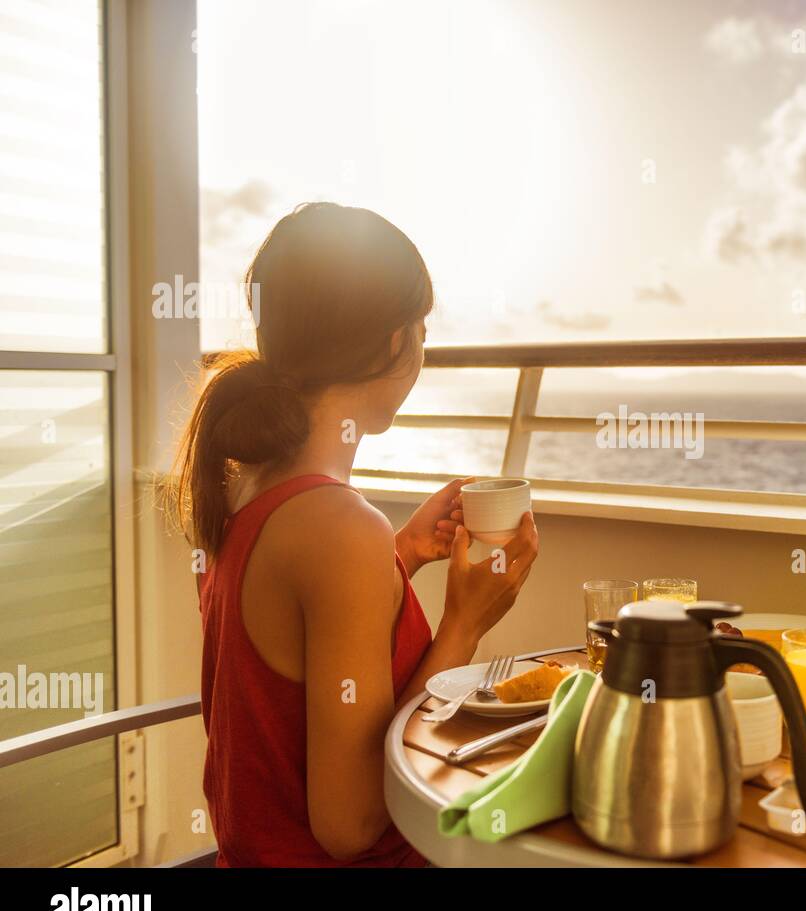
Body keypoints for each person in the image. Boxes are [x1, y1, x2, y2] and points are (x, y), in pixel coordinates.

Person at [168, 202, 539, 865]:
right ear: (394, 340)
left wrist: (398, 556)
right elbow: (352, 821)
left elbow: (285, 647)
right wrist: (465, 624)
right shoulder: (339, 530)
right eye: (420, 328)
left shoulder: (244, 483)